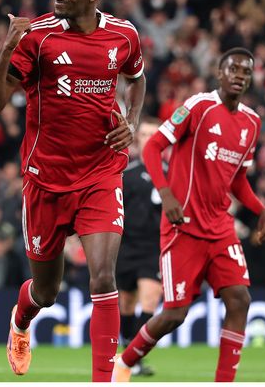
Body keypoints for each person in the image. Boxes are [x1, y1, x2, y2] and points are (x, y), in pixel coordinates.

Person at [0, 0, 146, 381]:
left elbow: (137, 76)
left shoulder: (124, 35)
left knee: (103, 276)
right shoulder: (37, 37)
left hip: (102, 172)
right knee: (46, 292)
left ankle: (103, 379)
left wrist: (133, 120)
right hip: (46, 179)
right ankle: (20, 322)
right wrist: (7, 48)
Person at [112, 47, 265, 382]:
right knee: (174, 314)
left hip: (220, 228)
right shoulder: (198, 106)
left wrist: (261, 210)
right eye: (233, 69)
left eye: (245, 71)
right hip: (182, 227)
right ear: (219, 73)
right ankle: (125, 361)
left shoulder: (251, 122)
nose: (239, 76)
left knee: (240, 299)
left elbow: (239, 179)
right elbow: (152, 146)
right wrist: (166, 193)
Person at [116, 116, 164, 377]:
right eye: (144, 134)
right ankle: (129, 353)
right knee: (126, 304)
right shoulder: (127, 173)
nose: (148, 139)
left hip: (154, 247)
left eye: (153, 135)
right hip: (127, 247)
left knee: (149, 301)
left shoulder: (171, 173)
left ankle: (133, 359)